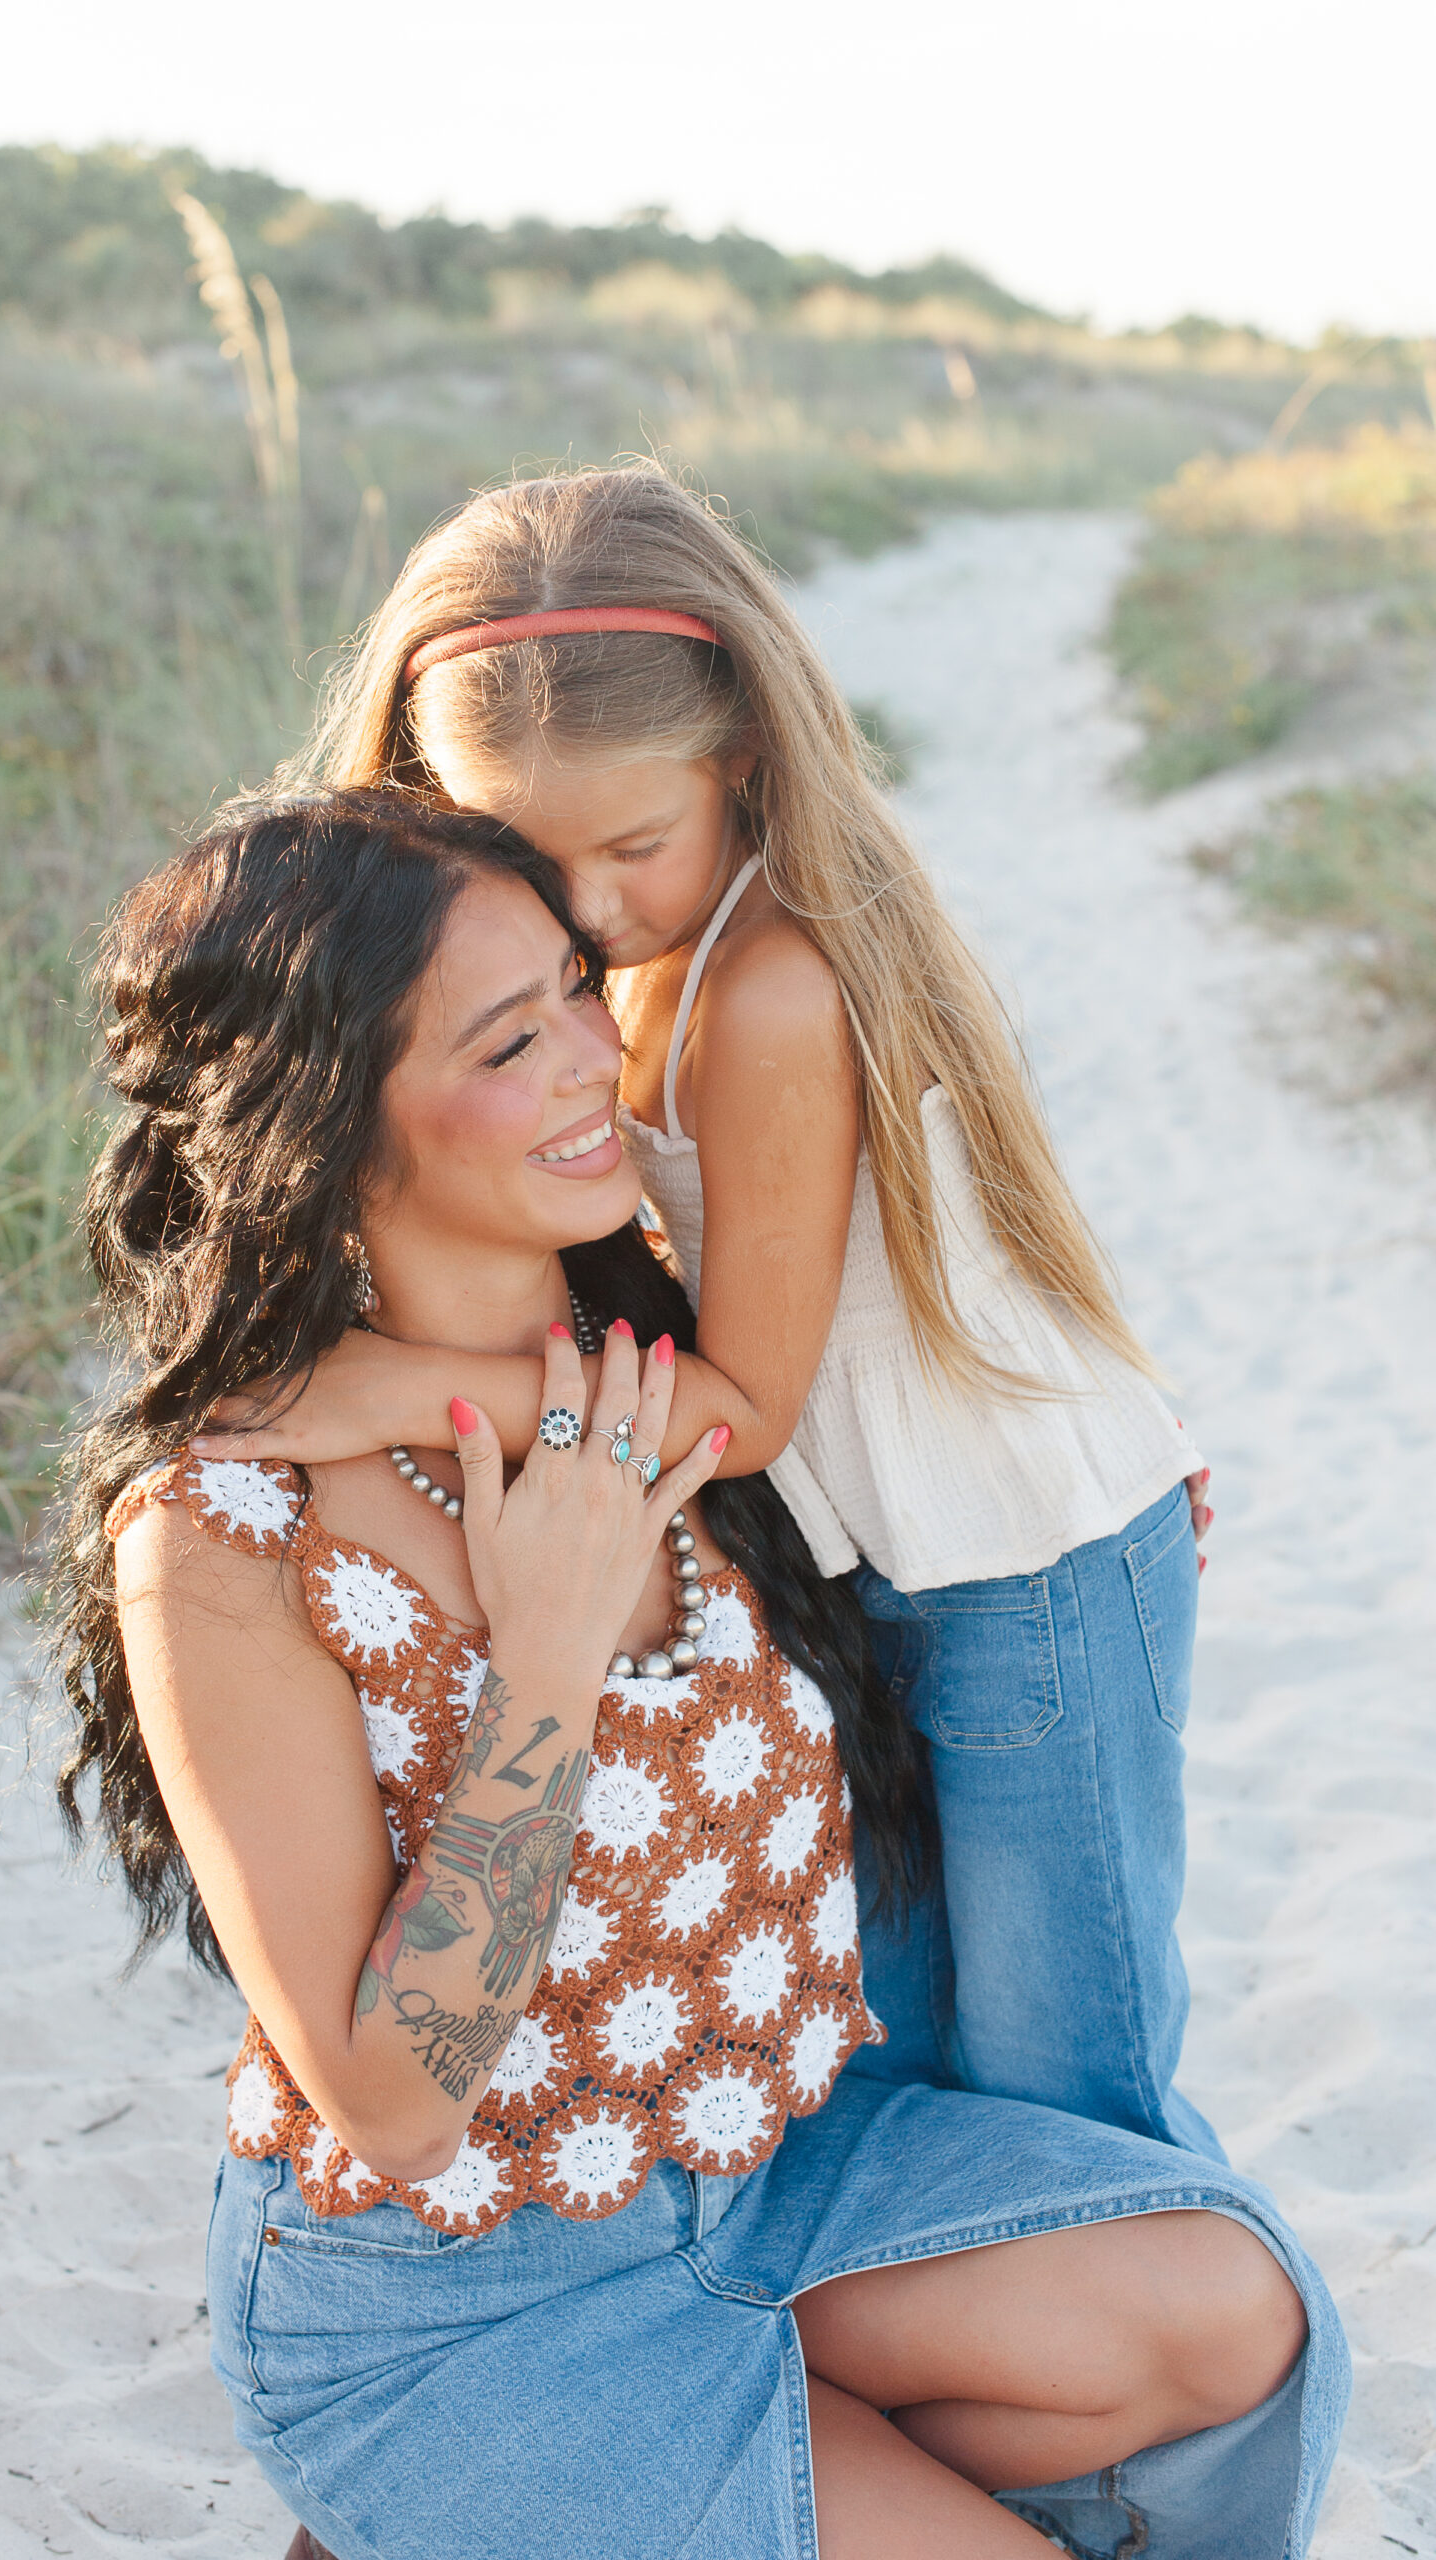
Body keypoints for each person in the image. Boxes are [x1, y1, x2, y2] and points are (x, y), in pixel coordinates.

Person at [47, 788, 1345, 2560]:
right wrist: (549, 1663)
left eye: (581, 987)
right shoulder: (230, 1531)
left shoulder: (673, 1374)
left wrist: (1085, 1516)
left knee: (1228, 2308)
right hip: (463, 2305)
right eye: (515, 1040)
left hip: (755, 2193)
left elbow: (940, 1415)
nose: (597, 1061)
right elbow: (393, 2102)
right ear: (330, 1120)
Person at [207, 465, 1221, 2159]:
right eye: (522, 850)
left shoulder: (770, 983)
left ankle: (1150, 2372)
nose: (588, 907)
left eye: (633, 844)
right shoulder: (619, 970)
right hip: (870, 1560)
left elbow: (742, 1396)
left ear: (743, 756)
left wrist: (399, 1388)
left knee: (1063, 2073)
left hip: (1028, 1569)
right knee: (885, 2053)